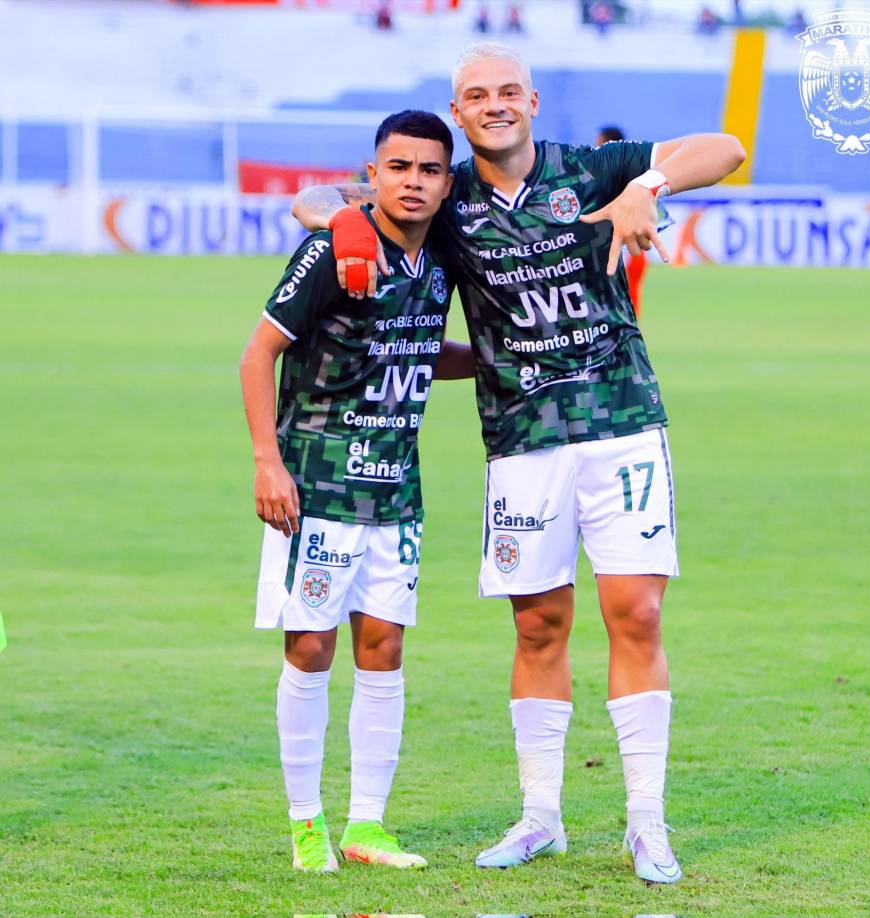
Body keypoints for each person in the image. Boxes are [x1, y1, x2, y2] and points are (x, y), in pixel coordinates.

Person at [291, 43, 744, 884]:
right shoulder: (447, 196)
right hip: (521, 442)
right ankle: (541, 817)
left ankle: (646, 823)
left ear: (533, 101)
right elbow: (309, 200)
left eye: (508, 91)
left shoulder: (595, 168)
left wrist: (649, 187)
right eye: (475, 96)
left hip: (622, 427)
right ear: (458, 115)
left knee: (636, 614)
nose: (494, 104)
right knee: (537, 625)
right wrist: (348, 219)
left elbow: (725, 148)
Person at [240, 110, 472, 874]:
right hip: (317, 485)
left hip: (397, 491)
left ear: (446, 181)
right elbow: (257, 355)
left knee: (386, 648)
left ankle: (366, 826)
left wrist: (497, 362)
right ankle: (307, 825)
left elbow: (412, 349)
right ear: (373, 172)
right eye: (397, 167)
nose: (413, 181)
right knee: (311, 647)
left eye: (429, 170)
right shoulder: (331, 248)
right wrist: (267, 463)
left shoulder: (438, 255)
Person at [595, 125, 649, 318]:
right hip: (634, 249)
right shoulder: (635, 173)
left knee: (617, 307)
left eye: (599, 143)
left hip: (622, 247)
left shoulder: (606, 175)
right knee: (629, 304)